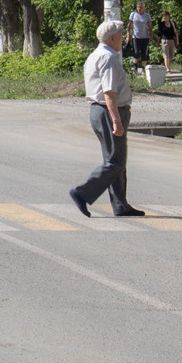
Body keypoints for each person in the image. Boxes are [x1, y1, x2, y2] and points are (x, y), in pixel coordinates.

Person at [69, 18, 145, 218]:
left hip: (99, 111)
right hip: (108, 110)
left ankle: (120, 205)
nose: (123, 38)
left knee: (115, 160)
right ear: (113, 38)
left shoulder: (97, 55)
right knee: (115, 162)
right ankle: (82, 192)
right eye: (121, 35)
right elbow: (109, 92)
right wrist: (116, 120)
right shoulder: (108, 58)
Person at [128, 1, 153, 74]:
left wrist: (151, 36)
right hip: (136, 37)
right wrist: (128, 35)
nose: (139, 8)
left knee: (144, 53)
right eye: (138, 7)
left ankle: (143, 68)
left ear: (144, 8)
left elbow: (150, 27)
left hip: (145, 37)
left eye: (141, 7)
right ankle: (135, 67)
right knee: (136, 52)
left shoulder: (147, 15)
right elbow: (129, 25)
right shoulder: (133, 14)